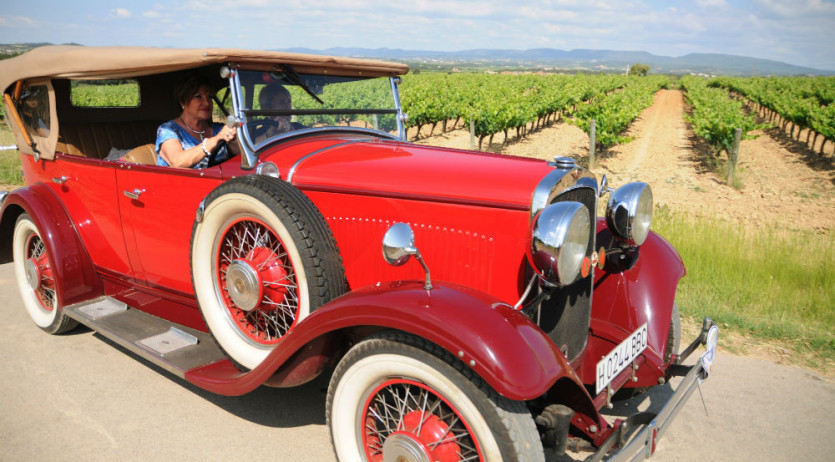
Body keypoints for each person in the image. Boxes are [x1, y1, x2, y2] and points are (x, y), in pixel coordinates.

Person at [156, 75, 238, 168]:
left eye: (209, 97)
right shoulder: (168, 130)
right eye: (198, 96)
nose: (207, 103)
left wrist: (237, 136)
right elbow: (177, 162)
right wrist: (214, 140)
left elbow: (239, 154)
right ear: (182, 101)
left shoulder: (219, 128)